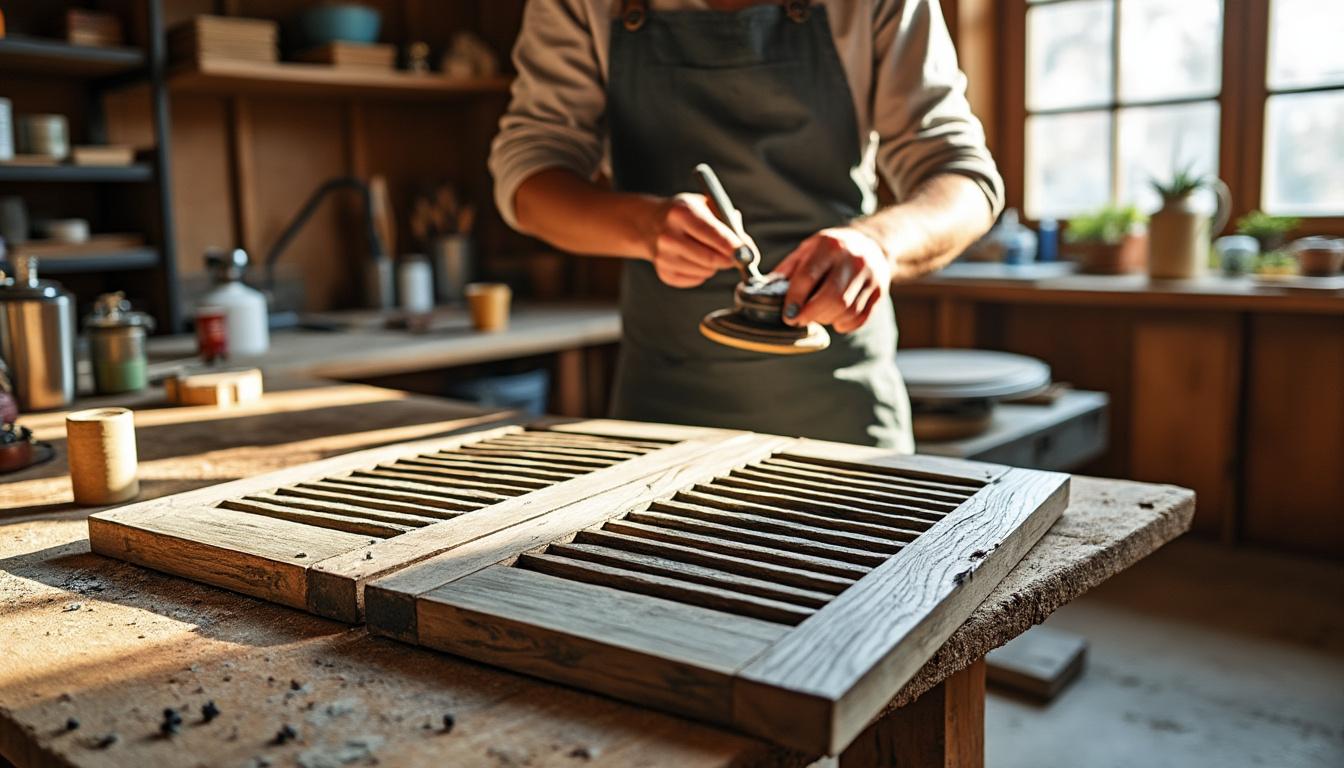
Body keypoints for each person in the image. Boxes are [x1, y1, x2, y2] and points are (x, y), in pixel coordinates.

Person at [489, 0, 1002, 450]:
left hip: (839, 397)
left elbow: (964, 179)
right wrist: (644, 226)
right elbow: (529, 173)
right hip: (664, 403)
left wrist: (878, 245)